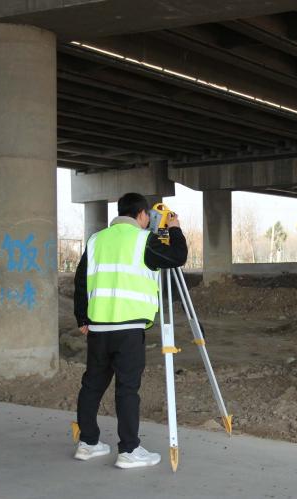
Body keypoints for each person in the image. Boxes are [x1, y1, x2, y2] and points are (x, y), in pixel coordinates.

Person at [72, 193, 187, 468]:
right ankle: (129, 450)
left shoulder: (97, 239)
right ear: (142, 215)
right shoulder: (144, 240)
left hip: (98, 326)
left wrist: (82, 319)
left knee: (92, 384)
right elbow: (177, 256)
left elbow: (80, 280)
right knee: (127, 388)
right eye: (149, 216)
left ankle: (87, 443)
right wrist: (174, 228)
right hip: (129, 328)